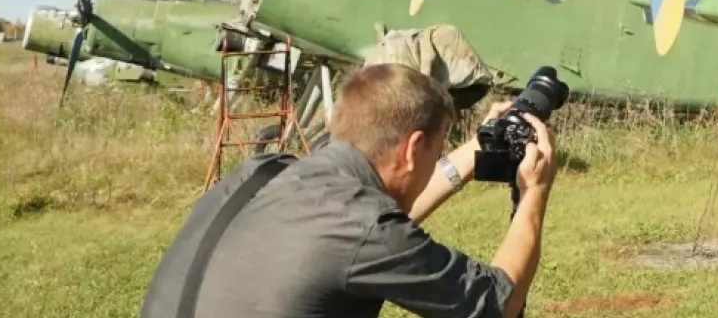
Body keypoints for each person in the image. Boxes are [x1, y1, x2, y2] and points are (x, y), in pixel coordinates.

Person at [138, 63, 557, 318]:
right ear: (413, 148)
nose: (439, 158)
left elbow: (362, 234)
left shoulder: (262, 174)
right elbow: (495, 304)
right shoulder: (363, 228)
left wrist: (475, 152)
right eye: (438, 147)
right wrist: (535, 191)